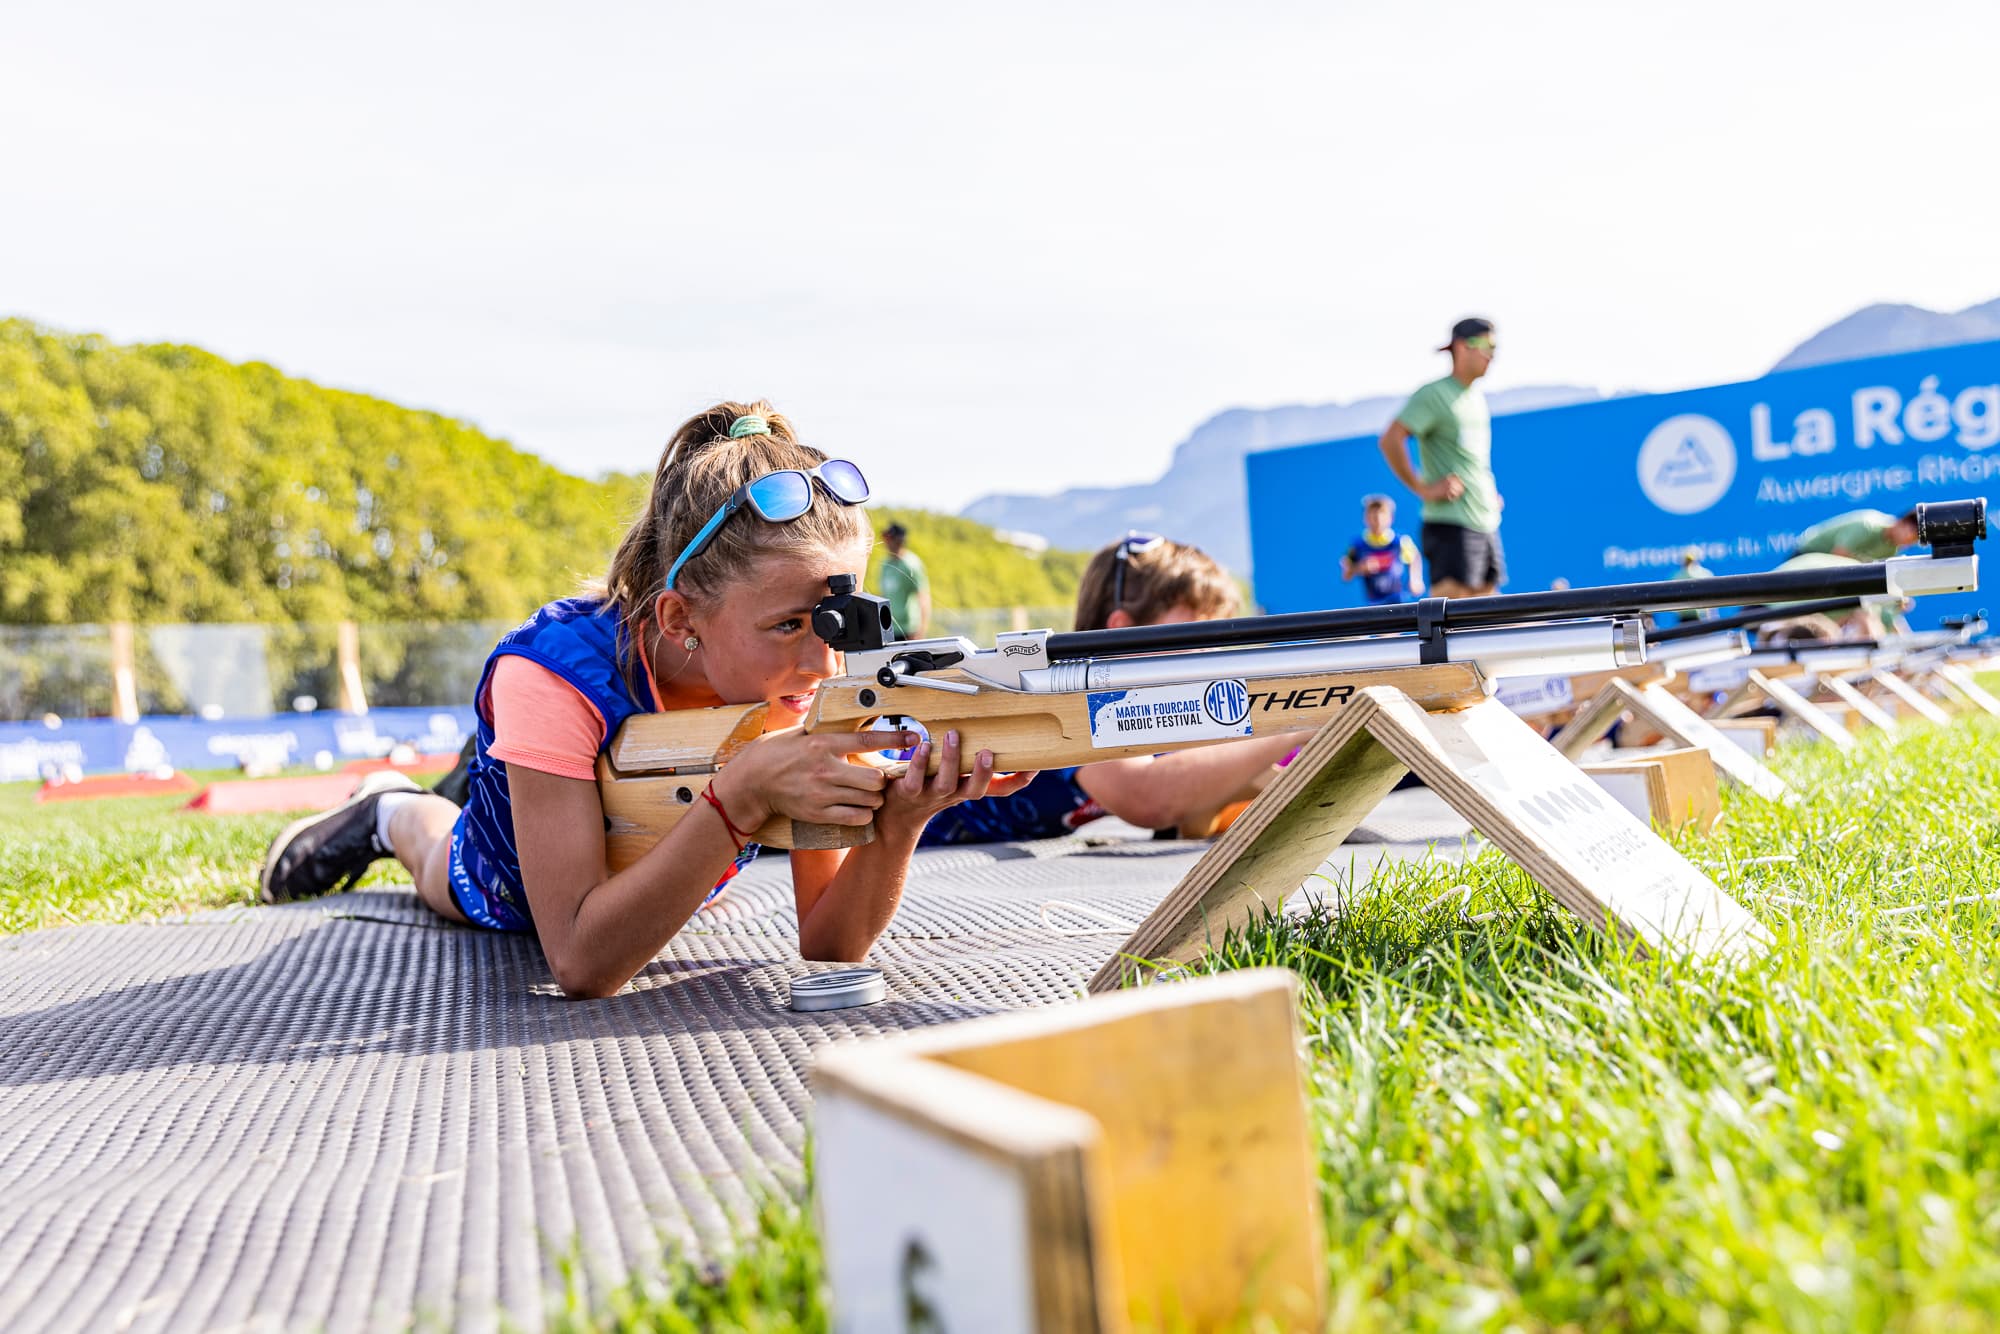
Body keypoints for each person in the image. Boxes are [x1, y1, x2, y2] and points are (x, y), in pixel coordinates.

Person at [259, 402, 1029, 998]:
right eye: (787, 625)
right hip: (509, 882)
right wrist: (741, 796)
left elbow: (830, 943)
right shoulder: (553, 674)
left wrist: (898, 822)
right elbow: (581, 964)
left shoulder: (799, 683)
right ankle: (387, 808)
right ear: (679, 618)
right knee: (441, 858)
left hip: (656, 867)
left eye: (835, 619)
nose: (821, 658)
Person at [919, 532, 1300, 844]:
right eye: (1197, 634)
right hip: (929, 847)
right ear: (1123, 631)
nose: (1211, 653)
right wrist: (1298, 718)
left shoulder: (1155, 702)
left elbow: (1203, 789)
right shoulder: (1073, 691)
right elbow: (1148, 797)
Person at [1377, 317, 1503, 598]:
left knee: (1491, 614)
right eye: (1486, 345)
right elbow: (1390, 440)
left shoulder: (1476, 398)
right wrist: (1423, 488)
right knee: (1454, 619)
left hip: (1486, 523)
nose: (1491, 354)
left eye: (1495, 347)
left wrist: (1487, 493)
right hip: (1450, 525)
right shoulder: (1433, 394)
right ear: (1461, 347)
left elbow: (1471, 461)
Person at [1341, 494, 1424, 605]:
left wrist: (1415, 579)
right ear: (1365, 518)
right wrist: (1360, 568)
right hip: (1374, 603)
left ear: (1391, 518)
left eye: (1382, 513)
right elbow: (1346, 574)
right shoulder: (1357, 545)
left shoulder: (1400, 541)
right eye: (1372, 514)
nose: (1377, 518)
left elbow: (1414, 557)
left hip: (1398, 600)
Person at [1791, 508, 1920, 562]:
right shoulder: (1867, 525)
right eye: (1910, 535)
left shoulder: (1892, 549)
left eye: (1914, 540)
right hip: (1806, 554)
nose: (1908, 542)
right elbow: (1838, 555)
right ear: (1901, 523)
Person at [877, 522, 930, 639]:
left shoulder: (911, 564)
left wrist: (921, 630)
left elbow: (923, 596)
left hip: (909, 629)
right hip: (889, 629)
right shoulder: (886, 564)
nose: (886, 543)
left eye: (889, 538)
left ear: (899, 540)